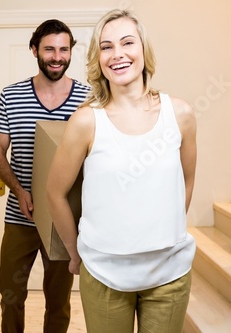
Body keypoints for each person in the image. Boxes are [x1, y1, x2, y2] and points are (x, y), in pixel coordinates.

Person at [46, 9, 197, 333]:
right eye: (106, 46)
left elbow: (185, 180)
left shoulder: (180, 114)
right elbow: (54, 193)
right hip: (104, 275)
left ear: (143, 48)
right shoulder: (86, 121)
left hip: (169, 275)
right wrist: (75, 253)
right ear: (97, 58)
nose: (117, 54)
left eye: (127, 42)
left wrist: (163, 232)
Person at [0, 19, 90, 332]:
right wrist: (19, 191)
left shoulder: (88, 100)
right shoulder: (11, 96)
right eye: (49, 49)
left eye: (64, 49)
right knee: (10, 294)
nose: (57, 56)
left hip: (65, 219)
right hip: (21, 216)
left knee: (59, 300)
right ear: (35, 50)